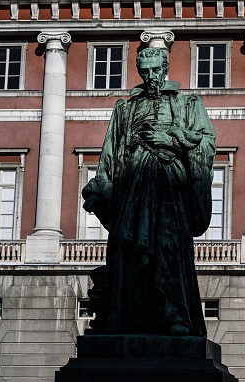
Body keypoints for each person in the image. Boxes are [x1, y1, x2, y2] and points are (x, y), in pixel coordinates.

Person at [82, 47, 215, 336]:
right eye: (145, 71)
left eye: (156, 70)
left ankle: (174, 314)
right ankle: (130, 318)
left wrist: (169, 138)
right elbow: (110, 155)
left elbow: (206, 143)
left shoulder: (187, 104)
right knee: (128, 250)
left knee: (167, 246)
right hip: (133, 188)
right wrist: (100, 188)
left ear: (165, 68)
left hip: (170, 186)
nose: (151, 76)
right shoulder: (125, 109)